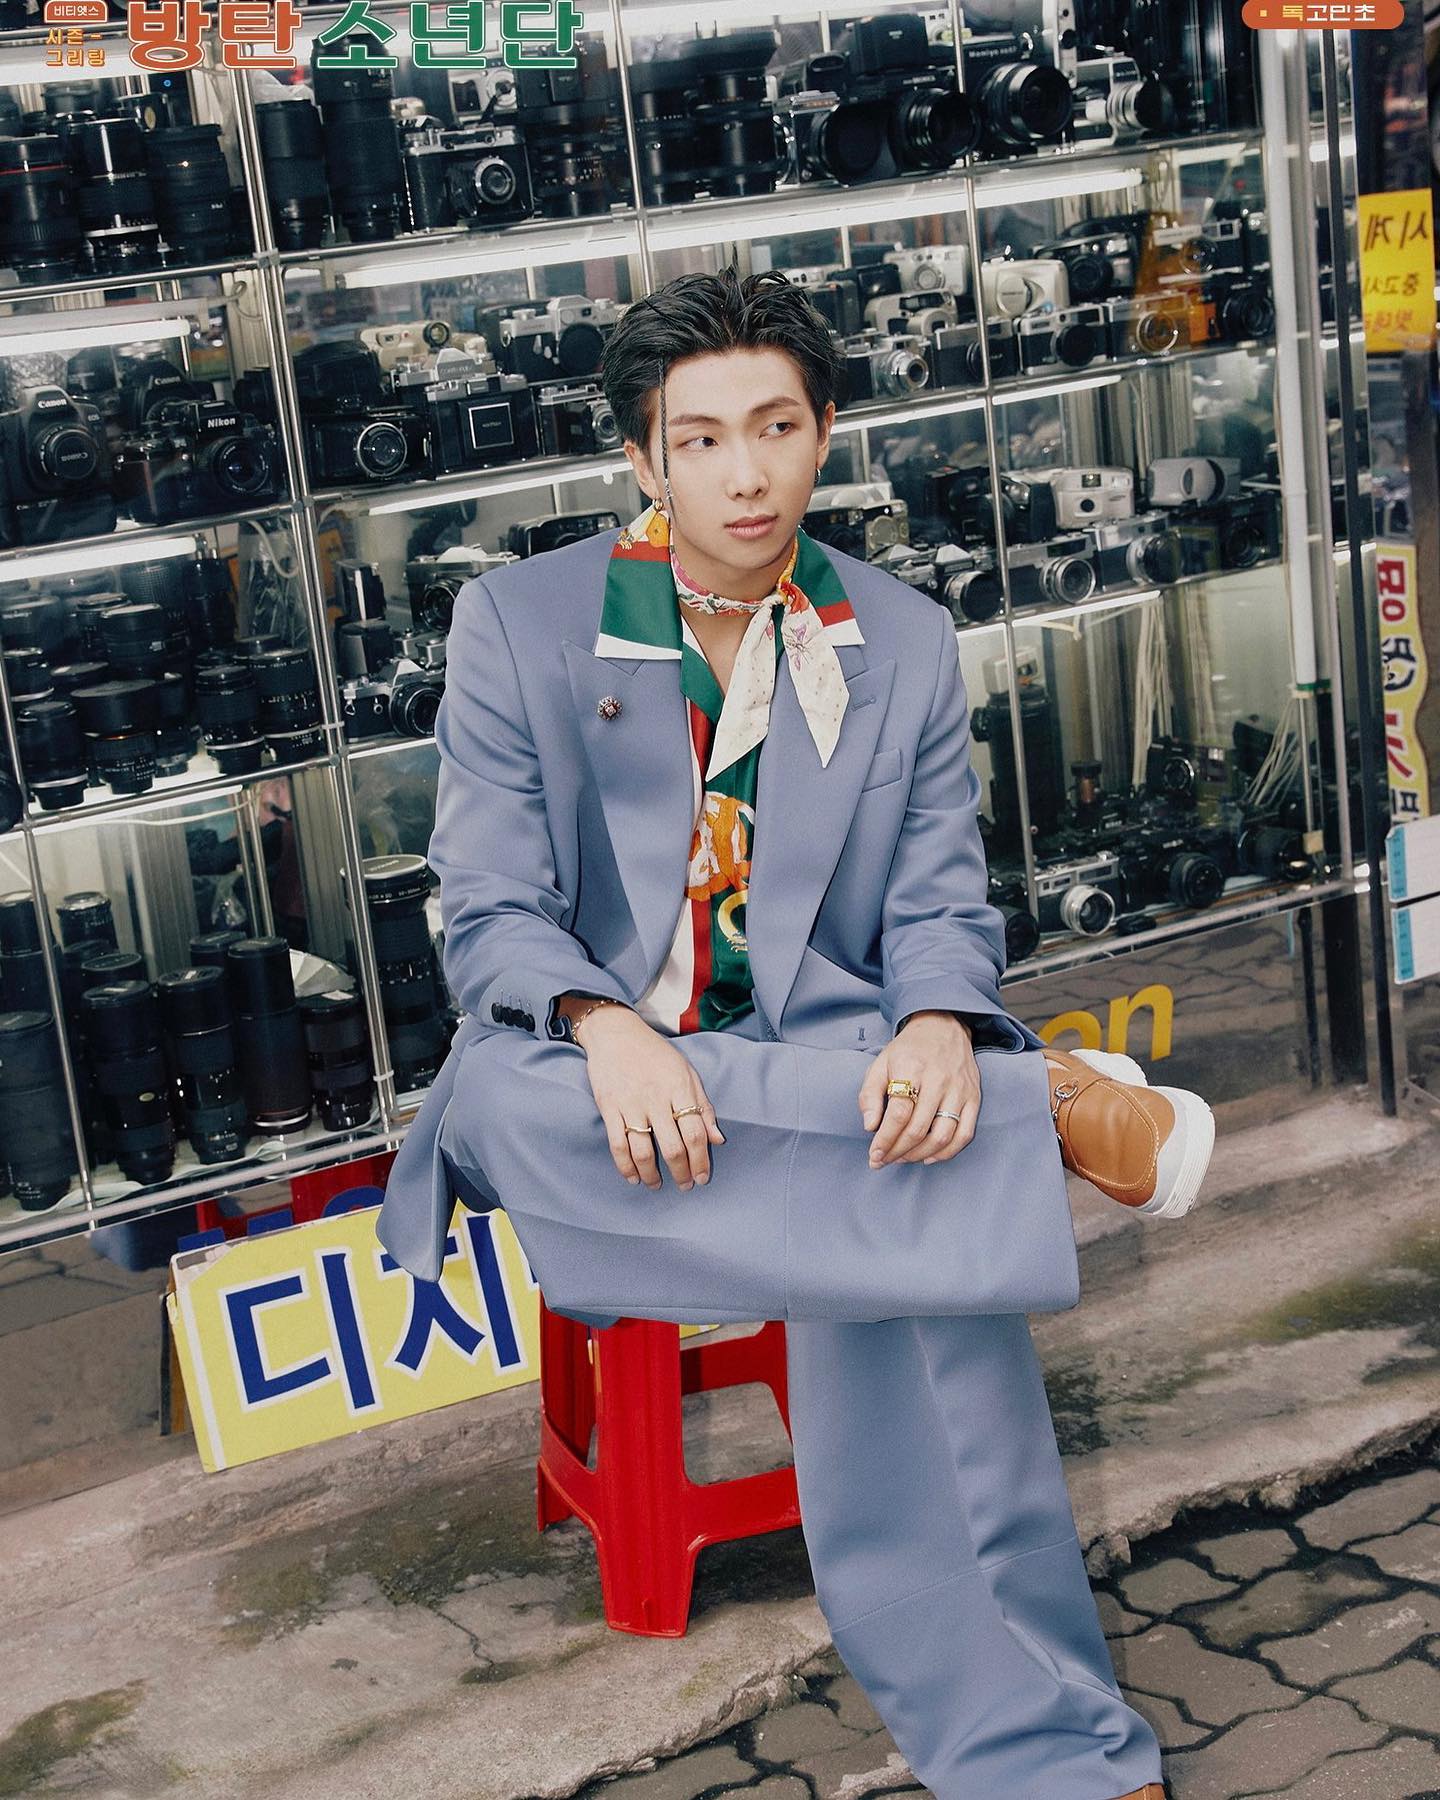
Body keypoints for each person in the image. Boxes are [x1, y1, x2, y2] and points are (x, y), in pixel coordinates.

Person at [375, 268, 1210, 1799]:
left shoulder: (897, 636)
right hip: (583, 1079)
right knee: (554, 1109)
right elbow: (486, 909)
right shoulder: (523, 624)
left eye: (776, 427)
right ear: (643, 457)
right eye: (699, 440)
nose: (744, 473)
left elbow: (942, 904)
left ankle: (1050, 1760)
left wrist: (945, 1022)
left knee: (921, 1258)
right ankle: (1045, 1114)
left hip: (823, 1069)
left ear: (826, 431)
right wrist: (605, 1024)